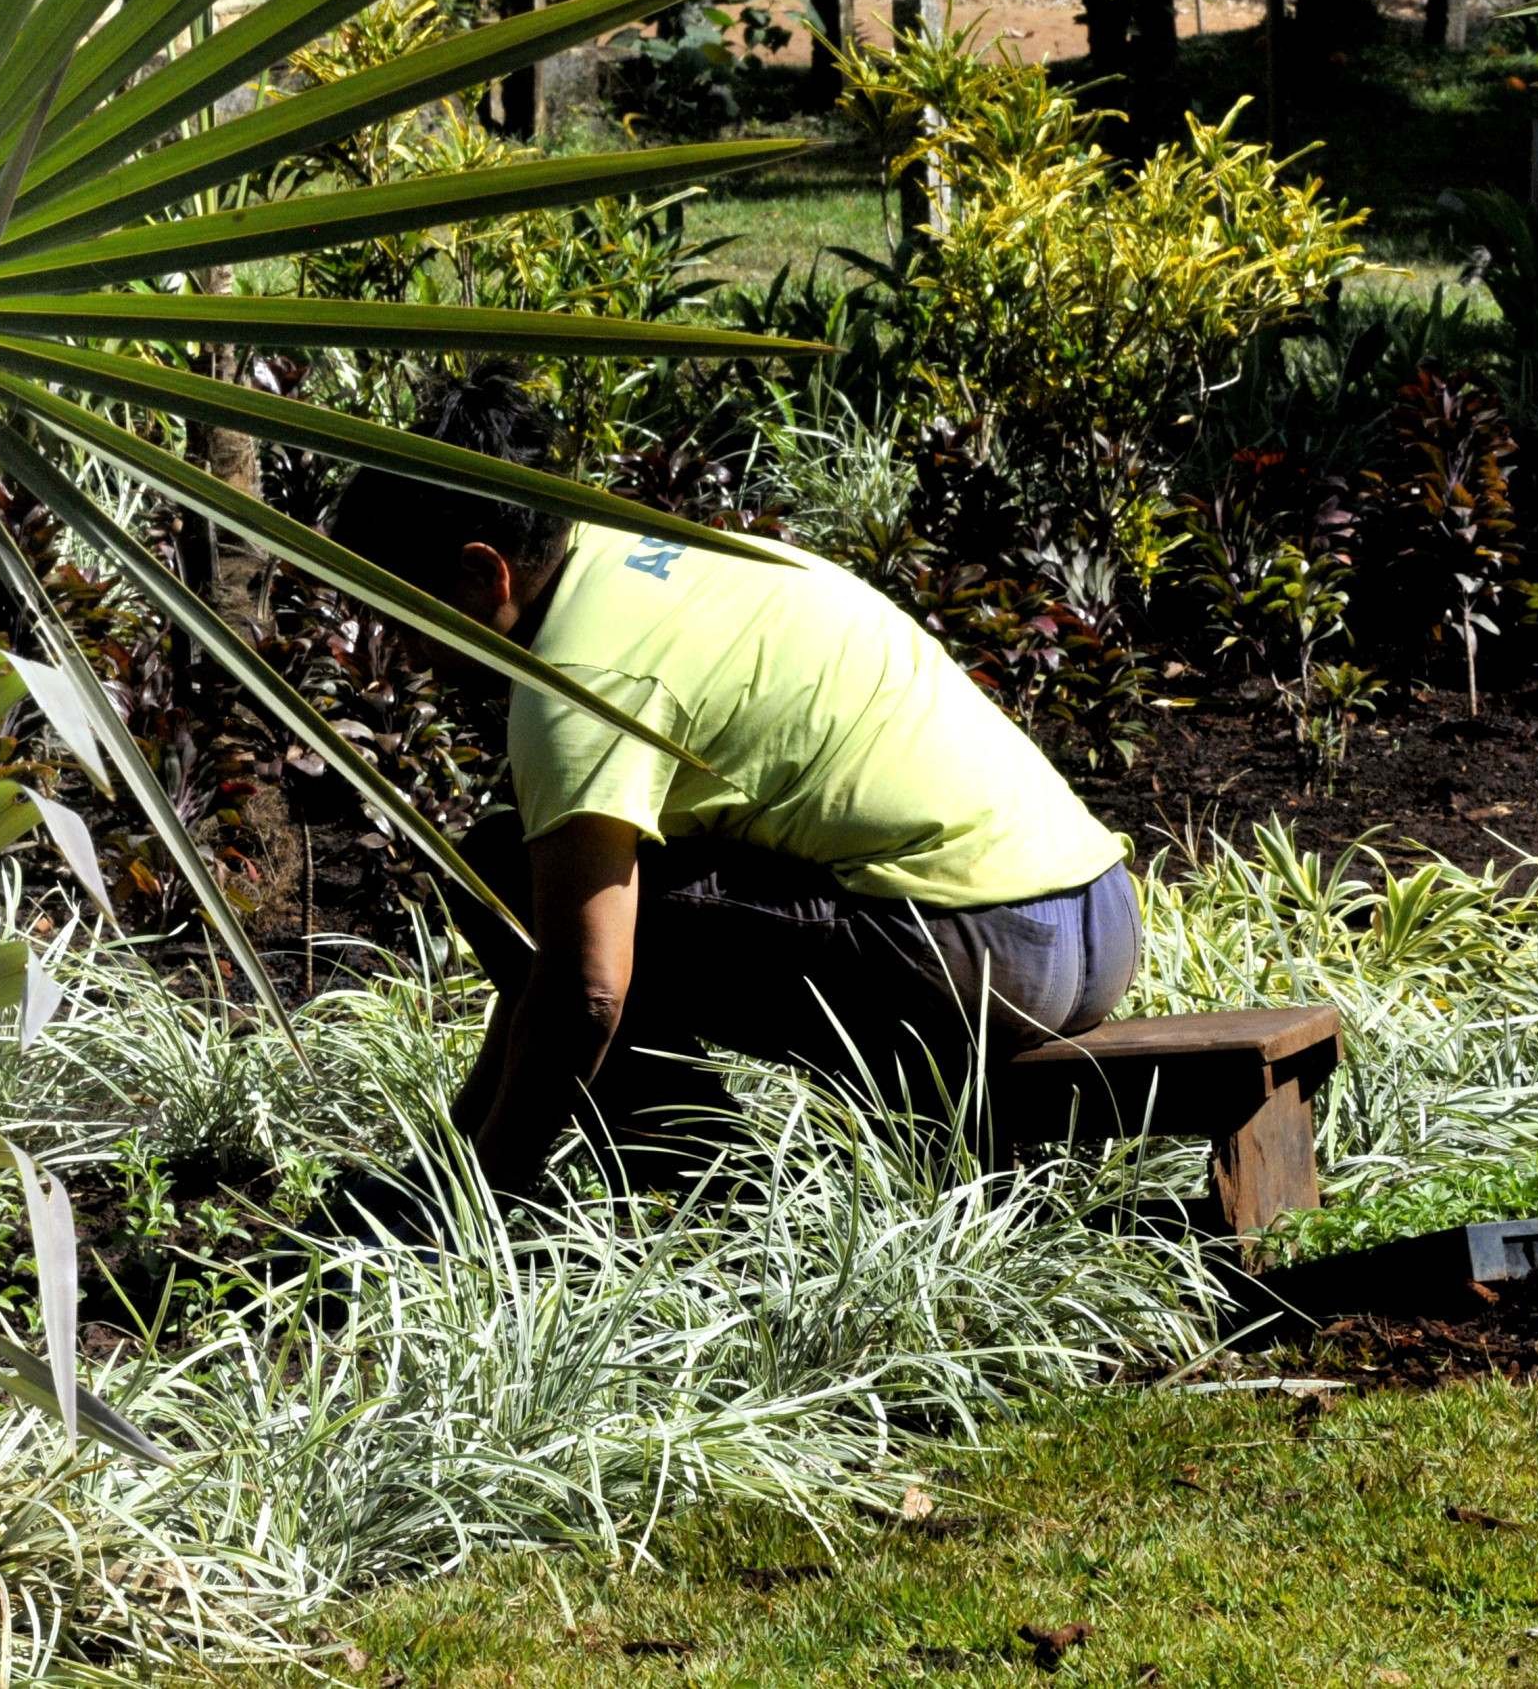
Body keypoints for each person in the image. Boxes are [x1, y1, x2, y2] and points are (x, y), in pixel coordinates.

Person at [326, 371, 1139, 1200]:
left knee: (499, 874)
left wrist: (474, 1201)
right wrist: (450, 1154)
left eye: (401, 612)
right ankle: (558, 1174)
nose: (399, 646)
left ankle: (710, 1190)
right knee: (542, 894)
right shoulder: (646, 553)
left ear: (484, 571)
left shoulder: (577, 684)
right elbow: (545, 953)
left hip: (986, 959)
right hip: (1098, 919)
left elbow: (583, 991)